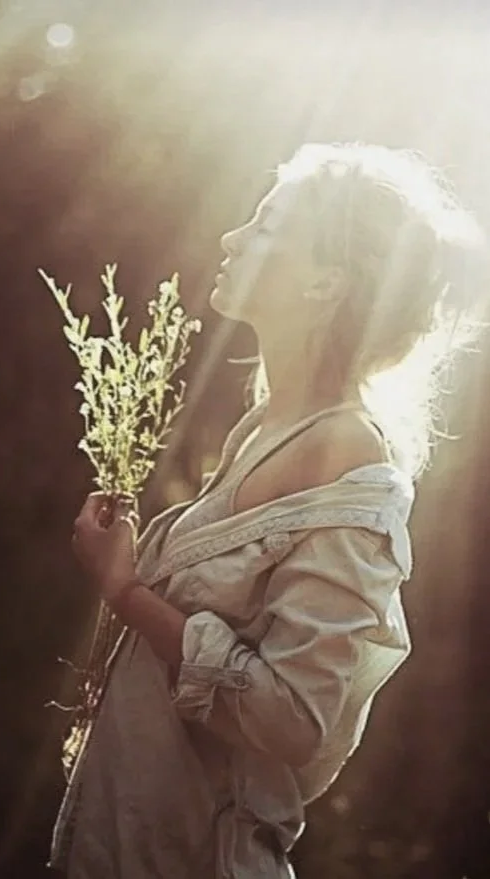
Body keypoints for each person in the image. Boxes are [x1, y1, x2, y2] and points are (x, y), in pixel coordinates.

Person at [48, 142, 485, 878]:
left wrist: (125, 592)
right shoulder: (266, 423)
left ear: (326, 282)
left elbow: (292, 718)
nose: (231, 238)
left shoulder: (346, 454)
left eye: (266, 226)